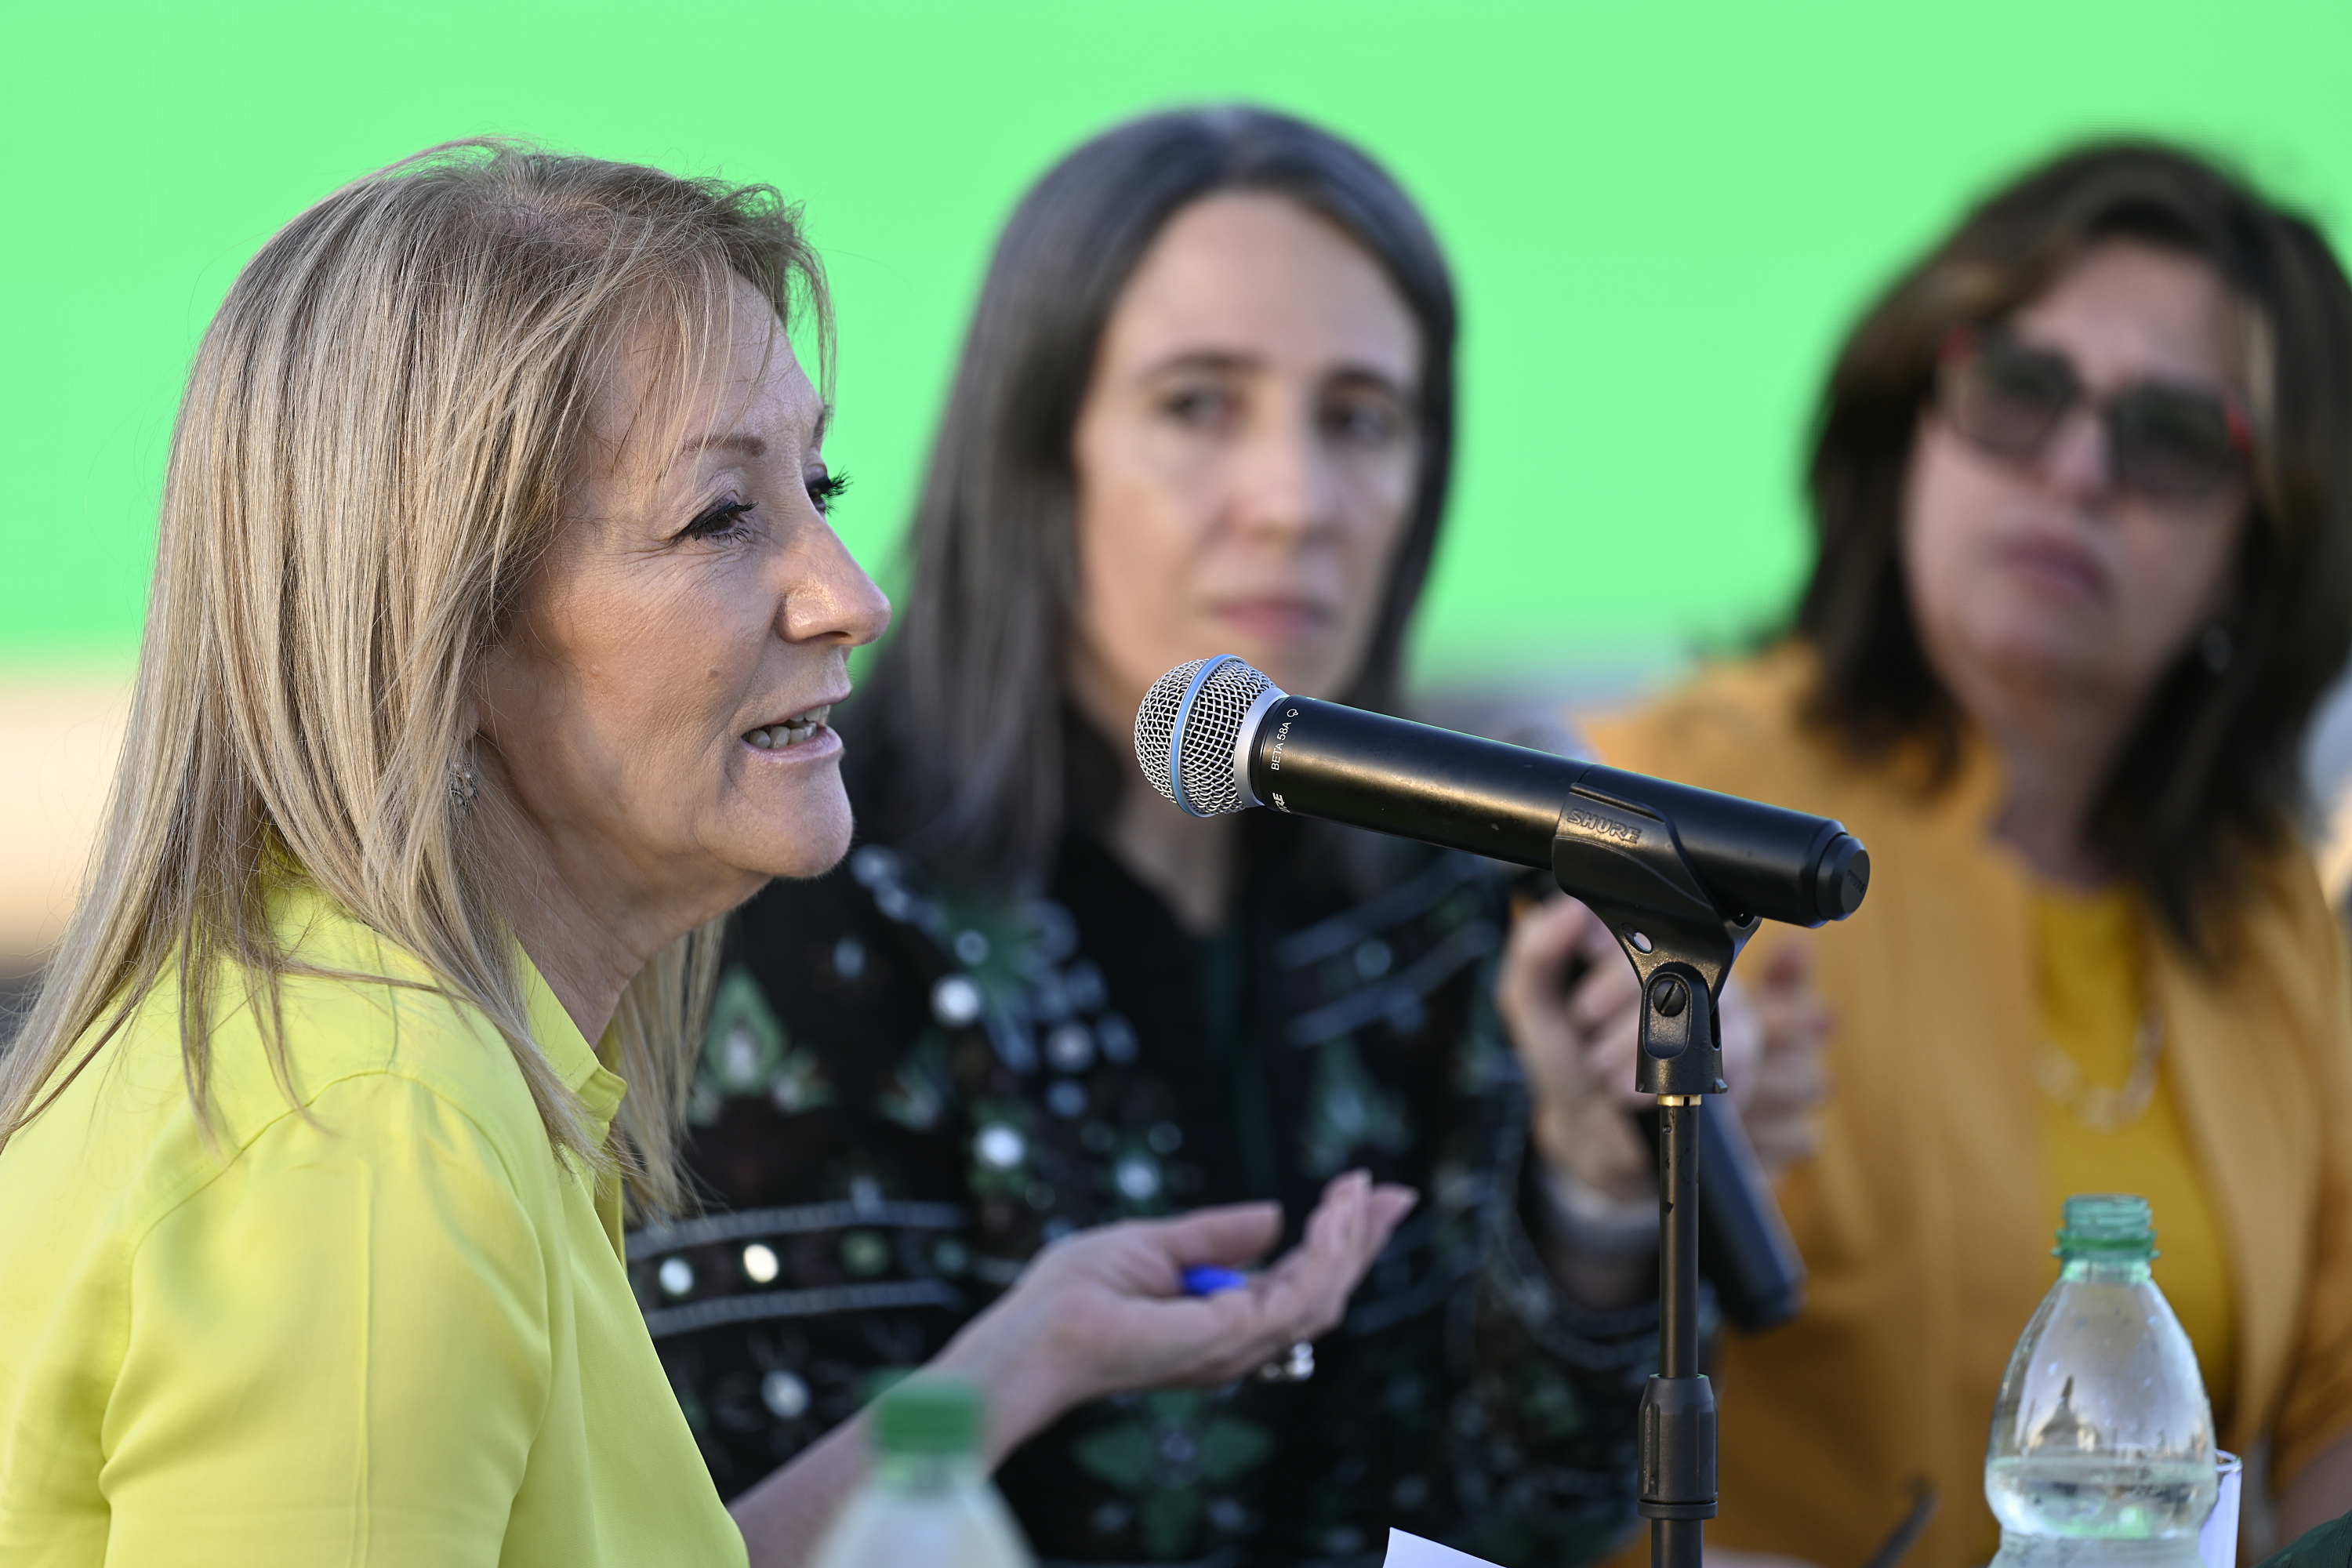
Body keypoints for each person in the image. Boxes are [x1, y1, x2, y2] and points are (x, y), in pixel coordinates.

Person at [0, 140, 1414, 1566]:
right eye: (724, 516)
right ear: (438, 641)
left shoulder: (390, 1063)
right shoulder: (376, 1133)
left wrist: (1027, 1358)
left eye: (821, 486)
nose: (853, 599)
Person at [641, 105, 1824, 1568]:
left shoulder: (1471, 874)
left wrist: (1592, 1185)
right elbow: (724, 1526)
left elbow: (1511, 1520)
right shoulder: (796, 866)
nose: (1296, 503)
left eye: (1360, 420)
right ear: (1038, 452)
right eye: (1200, 406)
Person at [1574, 141, 2352, 1568]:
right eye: (2020, 391)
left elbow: (2329, 1405)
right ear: (1910, 422)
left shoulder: (2268, 910)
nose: (2074, 472)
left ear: (2263, 546)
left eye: (2175, 440)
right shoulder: (1661, 794)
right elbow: (1515, 1365)